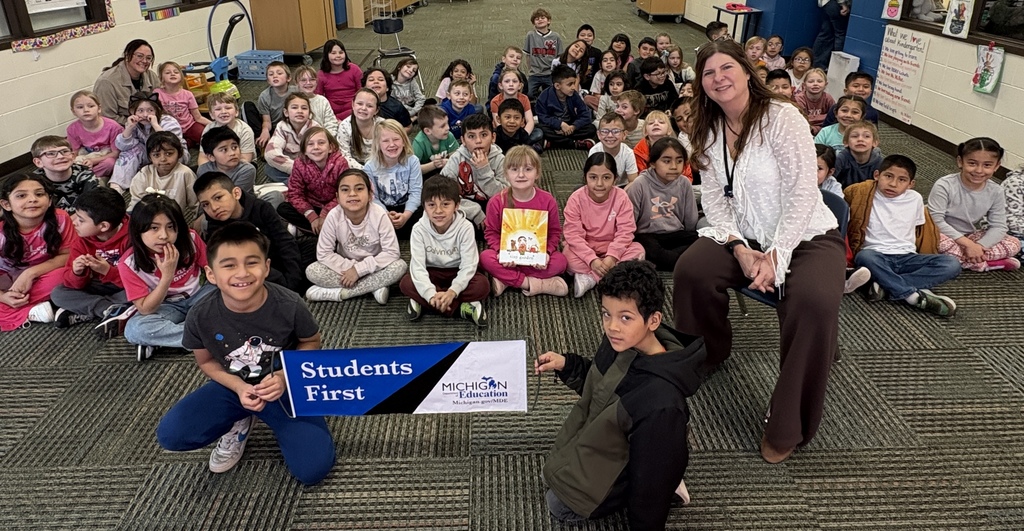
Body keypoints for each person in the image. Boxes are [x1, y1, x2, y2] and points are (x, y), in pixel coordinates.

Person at [673, 40, 845, 464]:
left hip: (805, 236)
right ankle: (706, 352)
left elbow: (803, 193)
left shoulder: (782, 118)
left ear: (748, 71)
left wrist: (776, 255)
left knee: (813, 302)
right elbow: (713, 198)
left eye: (727, 67)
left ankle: (787, 423)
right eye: (708, 73)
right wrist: (737, 247)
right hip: (744, 236)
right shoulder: (708, 126)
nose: (719, 79)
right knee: (692, 269)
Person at [155, 221, 335, 485]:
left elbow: (311, 342)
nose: (242, 273)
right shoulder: (200, 314)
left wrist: (285, 376)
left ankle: (269, 413)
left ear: (266, 267)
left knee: (312, 470)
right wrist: (239, 388)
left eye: (252, 262)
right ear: (211, 274)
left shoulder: (289, 304)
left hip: (284, 386)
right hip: (233, 387)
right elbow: (206, 362)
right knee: (171, 435)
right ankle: (240, 420)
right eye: (229, 265)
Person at [537, 259, 705, 530]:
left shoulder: (661, 403)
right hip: (596, 443)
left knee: (558, 506)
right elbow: (602, 384)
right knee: (552, 480)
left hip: (623, 465)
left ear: (654, 320)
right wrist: (567, 365)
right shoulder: (621, 341)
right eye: (606, 314)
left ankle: (671, 483)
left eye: (625, 317)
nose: (612, 326)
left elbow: (650, 483)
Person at [845, 155, 961, 316]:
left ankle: (885, 285)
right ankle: (913, 296)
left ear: (911, 184)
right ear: (877, 175)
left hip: (907, 257)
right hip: (876, 255)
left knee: (951, 264)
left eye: (902, 180)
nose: (893, 184)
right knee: (865, 257)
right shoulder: (862, 192)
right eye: (888, 176)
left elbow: (920, 230)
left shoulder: (915, 199)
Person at [118, 194, 215, 361]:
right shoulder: (128, 263)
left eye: (171, 227)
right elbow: (145, 309)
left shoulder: (190, 239)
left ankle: (169, 340)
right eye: (154, 228)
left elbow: (213, 268)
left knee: (234, 295)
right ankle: (208, 335)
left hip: (200, 297)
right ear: (139, 229)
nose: (164, 235)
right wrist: (167, 276)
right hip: (166, 307)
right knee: (135, 329)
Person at [304, 169, 408, 304]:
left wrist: (359, 270)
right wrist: (351, 269)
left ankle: (341, 293)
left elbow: (392, 252)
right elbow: (324, 253)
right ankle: (374, 287)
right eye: (345, 190)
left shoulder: (379, 214)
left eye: (359, 189)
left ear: (370, 194)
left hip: (375, 266)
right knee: (312, 271)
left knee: (400, 266)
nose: (352, 194)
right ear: (337, 197)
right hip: (345, 268)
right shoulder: (333, 216)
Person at [195, 173, 309, 295]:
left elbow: (284, 241)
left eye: (218, 198)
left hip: (276, 255)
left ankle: (296, 285)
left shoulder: (261, 207)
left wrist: (293, 279)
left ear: (236, 193)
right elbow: (243, 264)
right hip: (253, 268)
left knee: (310, 246)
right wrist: (285, 283)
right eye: (206, 204)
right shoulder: (216, 229)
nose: (214, 207)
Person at [479, 146, 568, 297]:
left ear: (537, 173)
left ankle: (506, 280)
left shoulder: (547, 200)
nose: (521, 175)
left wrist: (546, 253)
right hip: (508, 258)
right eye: (514, 169)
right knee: (485, 258)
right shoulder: (496, 201)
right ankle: (538, 285)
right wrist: (501, 252)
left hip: (535, 257)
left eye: (528, 169)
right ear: (506, 174)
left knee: (561, 262)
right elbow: (491, 232)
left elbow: (554, 232)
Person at [400, 177, 489, 326]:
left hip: (457, 270)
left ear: (456, 206)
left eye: (445, 204)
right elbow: (418, 266)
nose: (438, 211)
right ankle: (459, 307)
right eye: (431, 205)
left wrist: (452, 291)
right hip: (432, 272)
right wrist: (430, 294)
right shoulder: (418, 229)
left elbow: (469, 265)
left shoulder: (465, 227)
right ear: (424, 207)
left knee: (483, 285)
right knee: (406, 283)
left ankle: (427, 303)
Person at [929, 137, 1022, 272]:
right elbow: (935, 221)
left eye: (987, 165)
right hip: (939, 233)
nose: (979, 170)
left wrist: (978, 245)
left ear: (997, 166)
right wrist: (968, 245)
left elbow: (999, 226)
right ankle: (984, 264)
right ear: (960, 161)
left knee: (1014, 244)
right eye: (972, 163)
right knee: (940, 244)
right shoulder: (944, 185)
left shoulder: (996, 191)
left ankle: (965, 259)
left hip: (970, 236)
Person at [0, 174, 76, 331]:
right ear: (6, 204)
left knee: (72, 273)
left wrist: (30, 273)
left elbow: (67, 255)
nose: (32, 199)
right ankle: (30, 310)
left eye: (39, 194)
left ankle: (23, 308)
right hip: (5, 283)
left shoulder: (60, 218)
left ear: (49, 201)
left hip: (43, 275)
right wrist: (2, 297)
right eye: (21, 195)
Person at [563, 153, 644, 298]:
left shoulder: (621, 197)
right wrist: (592, 259)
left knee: (638, 251)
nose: (599, 184)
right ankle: (614, 277)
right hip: (586, 246)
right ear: (585, 177)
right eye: (593, 177)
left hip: (612, 247)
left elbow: (626, 231)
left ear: (615, 179)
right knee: (566, 258)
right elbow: (573, 234)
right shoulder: (576, 198)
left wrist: (612, 257)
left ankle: (591, 278)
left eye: (606, 177)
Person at [51, 186, 130, 329]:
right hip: (97, 285)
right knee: (58, 294)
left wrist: (108, 271)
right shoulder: (81, 241)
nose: (74, 222)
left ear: (104, 226)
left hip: (125, 285)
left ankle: (91, 309)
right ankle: (109, 309)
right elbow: (72, 284)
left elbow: (138, 277)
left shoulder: (132, 238)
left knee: (150, 288)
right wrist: (77, 272)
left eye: (81, 220)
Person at [627, 137, 699, 271]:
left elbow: (690, 219)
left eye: (679, 161)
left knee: (703, 241)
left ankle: (672, 261)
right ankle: (682, 261)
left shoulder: (684, 183)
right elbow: (631, 221)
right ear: (653, 163)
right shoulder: (640, 184)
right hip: (647, 235)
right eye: (666, 161)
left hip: (675, 233)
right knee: (650, 250)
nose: (673, 166)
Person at [276, 126, 351, 236]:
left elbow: (344, 192)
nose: (316, 147)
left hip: (335, 207)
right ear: (304, 150)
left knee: (351, 211)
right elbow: (295, 193)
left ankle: (311, 232)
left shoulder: (340, 163)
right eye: (310, 144)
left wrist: (325, 213)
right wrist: (311, 216)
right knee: (283, 208)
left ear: (330, 147)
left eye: (321, 143)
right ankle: (326, 232)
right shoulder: (299, 164)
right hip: (311, 206)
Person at [110, 92, 188, 193]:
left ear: (157, 110)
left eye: (150, 110)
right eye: (140, 111)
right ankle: (117, 186)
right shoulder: (134, 123)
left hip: (174, 154)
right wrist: (129, 128)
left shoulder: (168, 121)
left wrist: (155, 125)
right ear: (132, 111)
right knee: (128, 153)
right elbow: (122, 146)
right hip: (150, 155)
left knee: (165, 153)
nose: (145, 115)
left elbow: (172, 144)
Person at [441, 113, 507, 226]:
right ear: (463, 140)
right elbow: (443, 192)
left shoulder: (501, 160)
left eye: (484, 135)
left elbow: (505, 196)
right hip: (465, 205)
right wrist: (475, 211)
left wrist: (484, 170)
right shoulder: (457, 158)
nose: (478, 141)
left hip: (493, 203)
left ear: (493, 137)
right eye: (471, 136)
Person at [363, 120, 423, 239]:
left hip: (408, 207)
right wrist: (386, 214)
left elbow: (416, 192)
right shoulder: (369, 167)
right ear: (378, 145)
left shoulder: (412, 161)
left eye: (396, 139)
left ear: (404, 142)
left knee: (425, 215)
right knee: (367, 216)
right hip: (383, 209)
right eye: (385, 141)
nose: (391, 144)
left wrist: (405, 215)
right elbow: (373, 197)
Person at [93, 40, 159, 125]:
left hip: (150, 125)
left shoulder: (151, 76)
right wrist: (135, 124)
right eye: (139, 56)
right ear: (127, 56)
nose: (144, 61)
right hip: (121, 130)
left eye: (149, 58)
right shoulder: (107, 82)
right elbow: (107, 117)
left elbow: (161, 105)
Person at [128, 132, 197, 213]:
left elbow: (197, 205)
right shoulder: (144, 174)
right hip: (147, 220)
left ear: (179, 153)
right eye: (156, 155)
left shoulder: (185, 174)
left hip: (174, 221)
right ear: (150, 157)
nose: (163, 159)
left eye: (169, 154)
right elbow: (136, 204)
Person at [30, 136, 99, 212]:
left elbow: (92, 207)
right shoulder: (34, 181)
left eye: (65, 151)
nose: (61, 156)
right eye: (51, 153)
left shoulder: (85, 174)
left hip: (80, 218)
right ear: (38, 162)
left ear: (73, 156)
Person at [66, 90, 123, 181]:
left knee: (110, 164)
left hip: (107, 156)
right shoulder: (72, 129)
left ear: (99, 108)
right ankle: (88, 177)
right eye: (80, 107)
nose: (86, 110)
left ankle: (88, 178)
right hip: (87, 155)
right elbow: (75, 152)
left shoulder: (113, 127)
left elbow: (115, 153)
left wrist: (93, 161)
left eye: (91, 106)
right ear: (74, 111)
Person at [535, 66, 595, 150]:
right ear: (557, 86)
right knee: (540, 129)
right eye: (569, 84)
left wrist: (573, 127)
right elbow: (543, 118)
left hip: (570, 126)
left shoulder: (574, 95)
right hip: (554, 128)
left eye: (574, 83)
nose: (573, 87)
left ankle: (554, 142)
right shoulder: (543, 97)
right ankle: (574, 144)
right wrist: (560, 125)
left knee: (591, 128)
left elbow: (585, 114)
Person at [154, 61, 210, 148]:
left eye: (176, 72)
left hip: (189, 126)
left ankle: (190, 140)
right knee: (173, 147)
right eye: (168, 72)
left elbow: (198, 117)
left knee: (206, 138)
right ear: (161, 78)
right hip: (170, 129)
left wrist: (215, 125)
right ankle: (188, 142)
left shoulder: (188, 94)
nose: (172, 74)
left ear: (181, 76)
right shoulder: (157, 93)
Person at [265, 93, 319, 183]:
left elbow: (319, 154)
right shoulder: (282, 127)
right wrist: (298, 169)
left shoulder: (315, 128)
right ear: (286, 113)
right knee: (269, 168)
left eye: (304, 108)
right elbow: (270, 153)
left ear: (309, 113)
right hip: (291, 167)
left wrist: (307, 170)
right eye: (294, 107)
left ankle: (292, 184)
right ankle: (299, 183)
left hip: (310, 168)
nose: (300, 111)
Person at [197, 93, 256, 166]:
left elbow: (246, 158)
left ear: (236, 112)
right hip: (217, 163)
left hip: (240, 164)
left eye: (228, 108)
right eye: (218, 109)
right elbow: (203, 156)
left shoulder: (245, 130)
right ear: (211, 115)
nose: (223, 112)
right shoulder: (209, 129)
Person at [197, 126, 257, 196]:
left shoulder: (247, 170)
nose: (232, 153)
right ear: (211, 157)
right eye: (224, 150)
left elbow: (235, 197)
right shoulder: (203, 170)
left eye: (234, 147)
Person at [489, 68, 542, 147]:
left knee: (538, 133)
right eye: (507, 81)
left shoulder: (524, 99)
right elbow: (498, 123)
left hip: (520, 131)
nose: (511, 84)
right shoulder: (495, 101)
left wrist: (523, 136)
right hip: (502, 131)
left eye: (514, 81)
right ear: (500, 85)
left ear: (520, 85)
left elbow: (530, 121)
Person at [315, 39, 363, 121]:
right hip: (331, 111)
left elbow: (362, 91)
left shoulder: (354, 69)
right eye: (333, 53)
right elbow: (317, 97)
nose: (338, 56)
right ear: (326, 55)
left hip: (353, 109)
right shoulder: (321, 75)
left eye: (341, 52)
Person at [337, 88, 384, 168]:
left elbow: (386, 152)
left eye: (369, 106)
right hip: (354, 167)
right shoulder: (345, 126)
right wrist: (364, 171)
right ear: (353, 105)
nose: (363, 108)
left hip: (379, 166)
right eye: (359, 103)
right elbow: (345, 156)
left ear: (376, 110)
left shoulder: (382, 125)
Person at [255, 62, 297, 150]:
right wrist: (265, 131)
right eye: (271, 74)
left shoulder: (296, 92)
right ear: (268, 80)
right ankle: (264, 143)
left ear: (288, 78)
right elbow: (267, 121)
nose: (275, 76)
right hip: (274, 129)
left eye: (279, 73)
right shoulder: (264, 96)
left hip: (293, 125)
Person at [589, 112, 639, 186]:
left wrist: (620, 195)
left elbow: (633, 181)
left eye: (616, 131)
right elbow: (592, 177)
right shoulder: (594, 151)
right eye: (605, 131)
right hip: (601, 185)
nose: (610, 135)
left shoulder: (628, 153)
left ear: (624, 134)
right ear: (599, 134)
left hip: (621, 187)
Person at [524, 8, 563, 99]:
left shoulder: (556, 36)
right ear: (533, 23)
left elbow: (559, 56)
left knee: (553, 94)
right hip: (535, 74)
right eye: (537, 19)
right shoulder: (530, 35)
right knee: (529, 94)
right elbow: (528, 55)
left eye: (542, 18)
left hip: (550, 73)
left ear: (548, 21)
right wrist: (530, 69)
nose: (540, 20)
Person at [412, 106, 459, 178]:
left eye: (447, 123)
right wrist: (434, 165)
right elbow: (413, 169)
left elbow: (455, 155)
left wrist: (448, 161)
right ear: (428, 131)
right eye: (442, 126)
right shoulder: (419, 142)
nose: (448, 128)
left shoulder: (448, 135)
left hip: (446, 168)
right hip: (427, 174)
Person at [834, 121, 883, 188]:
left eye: (866, 136)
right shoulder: (840, 159)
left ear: (875, 143)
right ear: (845, 142)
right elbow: (829, 182)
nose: (860, 139)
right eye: (854, 136)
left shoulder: (879, 162)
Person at [293, 65, 340, 135]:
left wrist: (326, 139)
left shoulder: (322, 100)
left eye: (312, 79)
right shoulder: (293, 101)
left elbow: (331, 124)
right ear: (297, 83)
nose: (308, 83)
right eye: (303, 80)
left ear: (316, 82)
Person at [794, 68, 835, 134]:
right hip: (804, 130)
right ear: (804, 85)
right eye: (811, 81)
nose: (815, 84)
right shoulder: (799, 99)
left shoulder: (828, 98)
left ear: (825, 84)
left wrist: (814, 124)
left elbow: (834, 117)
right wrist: (825, 117)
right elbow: (801, 120)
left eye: (819, 81)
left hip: (825, 130)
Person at [813, 0, 851, 69]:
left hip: (826, 3)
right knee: (840, 34)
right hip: (836, 4)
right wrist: (842, 3)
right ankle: (837, 67)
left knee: (826, 34)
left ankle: (818, 65)